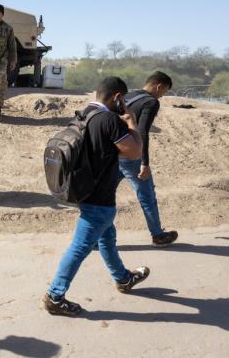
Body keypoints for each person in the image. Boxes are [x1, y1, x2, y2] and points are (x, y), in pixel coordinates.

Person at [43, 77, 150, 316]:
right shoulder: (111, 120)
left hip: (84, 190)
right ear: (117, 98)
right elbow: (135, 151)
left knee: (106, 237)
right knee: (80, 247)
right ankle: (55, 296)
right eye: (124, 99)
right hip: (99, 198)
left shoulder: (84, 114)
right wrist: (132, 122)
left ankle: (123, 279)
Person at [119, 71, 178, 246]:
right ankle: (158, 235)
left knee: (104, 197)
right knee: (147, 196)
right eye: (164, 91)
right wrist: (144, 162)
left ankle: (94, 239)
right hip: (132, 156)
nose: (162, 95)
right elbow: (142, 131)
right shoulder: (151, 102)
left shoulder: (128, 96)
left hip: (114, 153)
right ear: (159, 86)